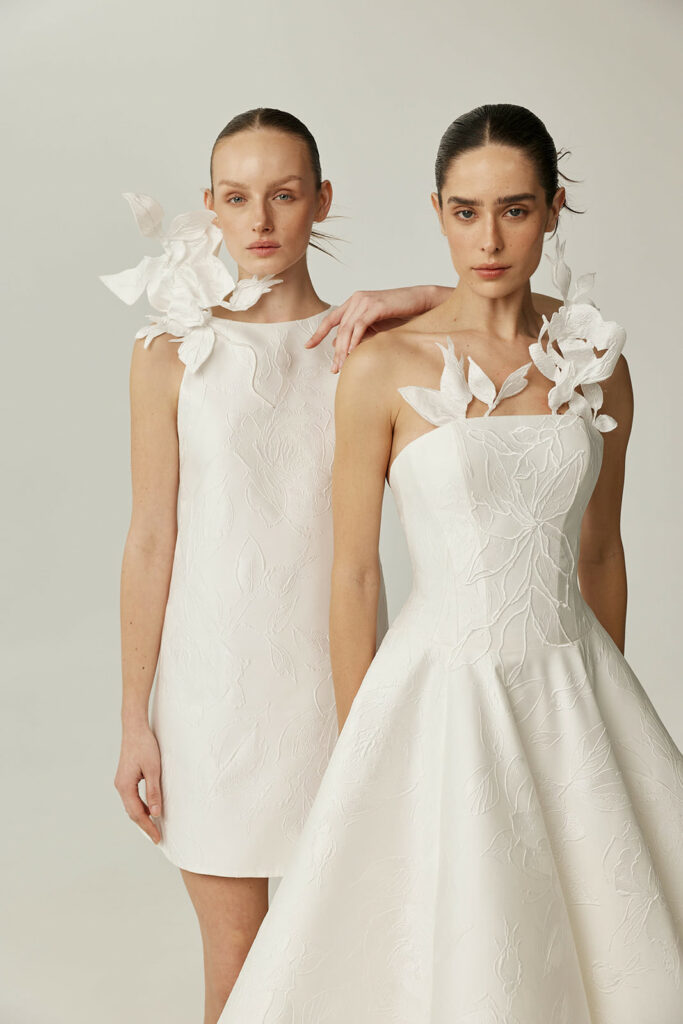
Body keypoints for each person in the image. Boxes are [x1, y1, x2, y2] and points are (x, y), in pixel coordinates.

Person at [215, 104, 683, 1024]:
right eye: (465, 212)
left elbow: (601, 547)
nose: (488, 239)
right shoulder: (383, 367)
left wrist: (599, 720)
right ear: (436, 212)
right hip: (437, 691)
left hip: (573, 684)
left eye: (514, 210)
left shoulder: (594, 361)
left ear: (552, 209)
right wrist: (360, 745)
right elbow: (354, 575)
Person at [102, 107, 564, 1023]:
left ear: (321, 200)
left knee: (353, 963)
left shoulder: (369, 348)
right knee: (240, 969)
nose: (260, 221)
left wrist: (402, 296)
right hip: (211, 698)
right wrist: (132, 719)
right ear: (208, 205)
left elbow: (497, 309)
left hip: (342, 690)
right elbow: (150, 537)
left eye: (283, 195)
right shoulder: (169, 354)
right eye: (237, 198)